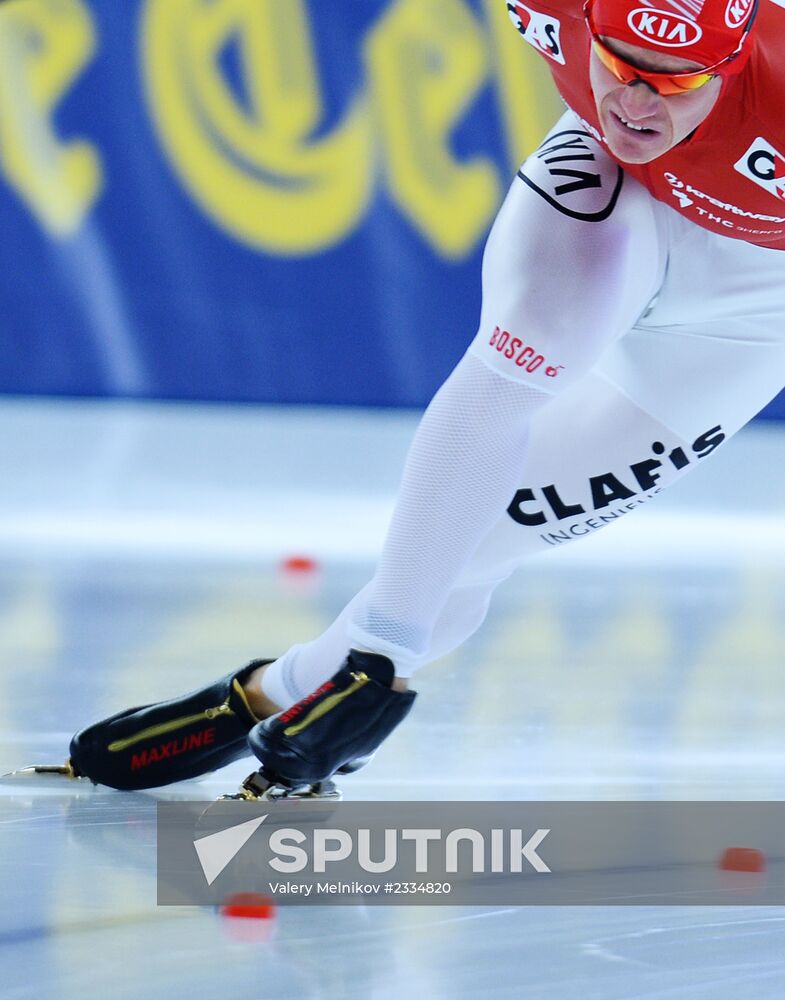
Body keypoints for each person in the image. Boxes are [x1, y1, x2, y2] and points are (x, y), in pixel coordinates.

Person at [66, 0, 785, 795]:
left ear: (736, 58)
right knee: (527, 348)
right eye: (618, 65)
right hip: (623, 191)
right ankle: (373, 661)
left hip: (755, 308)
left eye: (674, 81)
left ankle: (270, 695)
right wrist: (385, 654)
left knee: (485, 538)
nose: (638, 103)